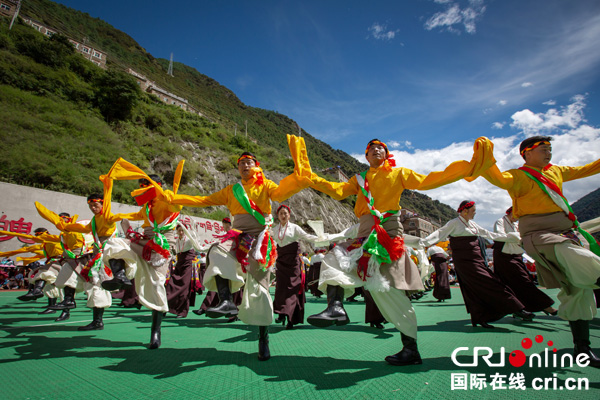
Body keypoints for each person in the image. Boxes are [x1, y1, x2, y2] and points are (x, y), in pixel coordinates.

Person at [301, 136, 497, 366]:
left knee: (392, 290)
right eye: (371, 148)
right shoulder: (360, 179)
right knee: (334, 257)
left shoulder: (399, 174)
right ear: (365, 156)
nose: (376, 150)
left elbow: (429, 180)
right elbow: (335, 190)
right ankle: (335, 307)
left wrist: (467, 168)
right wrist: (310, 178)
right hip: (364, 233)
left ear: (387, 154)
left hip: (388, 232)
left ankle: (410, 348)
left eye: (381, 148)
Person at [166, 135, 313, 361]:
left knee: (260, 289)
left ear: (256, 166)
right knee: (216, 251)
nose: (245, 165)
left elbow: (282, 193)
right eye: (241, 162)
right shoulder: (231, 190)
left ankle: (263, 338)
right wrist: (177, 198)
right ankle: (225, 300)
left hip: (260, 238)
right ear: (238, 168)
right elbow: (205, 200)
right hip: (237, 236)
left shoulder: (265, 185)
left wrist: (299, 178)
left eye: (249, 162)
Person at [481, 135, 600, 367]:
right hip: (540, 235)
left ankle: (582, 349)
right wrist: (485, 156)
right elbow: (496, 177)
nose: (548, 153)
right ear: (526, 153)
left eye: (550, 149)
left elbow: (588, 168)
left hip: (568, 231)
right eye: (543, 149)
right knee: (577, 256)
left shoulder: (556, 171)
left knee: (577, 290)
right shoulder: (517, 176)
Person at [98, 158, 184, 349]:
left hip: (160, 249)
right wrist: (108, 191)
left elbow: (177, 206)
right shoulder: (144, 209)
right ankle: (120, 276)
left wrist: (167, 194)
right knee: (114, 243)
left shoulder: (166, 202)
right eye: (141, 185)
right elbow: (118, 217)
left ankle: (156, 331)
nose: (142, 188)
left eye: (146, 185)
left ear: (157, 187)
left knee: (156, 286)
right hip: (144, 245)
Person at [420, 201, 534, 328]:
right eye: (473, 211)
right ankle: (516, 309)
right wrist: (422, 242)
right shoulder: (454, 223)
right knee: (491, 282)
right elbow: (439, 234)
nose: (475, 213)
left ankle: (480, 317)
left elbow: (489, 234)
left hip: (476, 259)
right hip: (464, 262)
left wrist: (511, 237)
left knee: (476, 288)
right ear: (465, 211)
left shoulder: (473, 224)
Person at [35, 206, 112, 330]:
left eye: (96, 205)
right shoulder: (81, 227)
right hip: (83, 258)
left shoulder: (108, 223)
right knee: (67, 275)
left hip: (98, 260)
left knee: (96, 288)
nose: (93, 208)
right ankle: (69, 301)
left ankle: (98, 321)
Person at [493, 206, 557, 316]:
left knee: (519, 281)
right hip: (504, 256)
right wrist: (518, 235)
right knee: (523, 280)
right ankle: (545, 306)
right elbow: (499, 236)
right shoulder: (500, 221)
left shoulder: (516, 224)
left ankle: (518, 309)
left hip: (515, 255)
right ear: (512, 212)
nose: (518, 218)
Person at [271, 204, 321, 329]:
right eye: (281, 213)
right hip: (281, 262)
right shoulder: (275, 229)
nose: (283, 215)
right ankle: (282, 312)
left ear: (289, 215)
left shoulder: (295, 228)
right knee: (280, 288)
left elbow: (307, 237)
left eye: (285, 213)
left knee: (292, 288)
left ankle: (290, 318)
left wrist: (320, 238)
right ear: (277, 216)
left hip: (293, 263)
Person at [166, 222, 198, 318]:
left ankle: (183, 311)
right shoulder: (177, 241)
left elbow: (195, 240)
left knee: (184, 288)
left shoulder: (189, 240)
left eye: (182, 231)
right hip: (179, 264)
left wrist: (193, 230)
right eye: (179, 230)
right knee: (171, 284)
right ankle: (169, 307)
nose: (181, 232)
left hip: (188, 265)